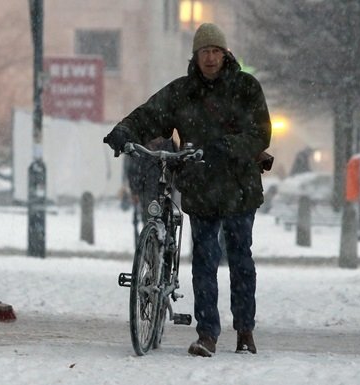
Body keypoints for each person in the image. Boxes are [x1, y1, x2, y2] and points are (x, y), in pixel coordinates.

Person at [104, 23, 271, 356]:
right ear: (195, 56)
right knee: (204, 262)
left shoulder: (245, 87)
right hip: (201, 186)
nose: (210, 58)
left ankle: (244, 330)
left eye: (216, 51)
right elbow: (151, 115)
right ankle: (207, 334)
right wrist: (123, 131)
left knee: (240, 260)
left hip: (239, 186)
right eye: (204, 52)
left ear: (225, 54)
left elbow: (259, 132)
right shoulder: (183, 91)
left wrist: (225, 147)